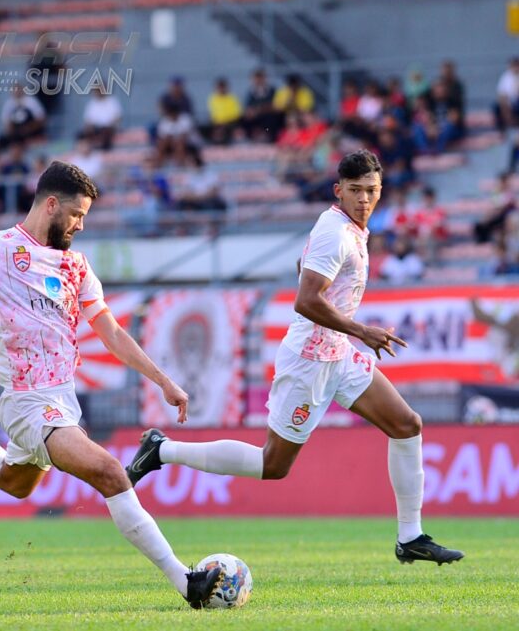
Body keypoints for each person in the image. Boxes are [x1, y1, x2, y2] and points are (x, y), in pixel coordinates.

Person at [0, 160, 224, 609]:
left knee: (16, 483)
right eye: (76, 215)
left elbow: (110, 330)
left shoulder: (76, 265)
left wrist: (163, 380)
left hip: (61, 399)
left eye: (85, 218)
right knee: (111, 472)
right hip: (27, 400)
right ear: (51, 204)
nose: (79, 225)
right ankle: (185, 580)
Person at [124, 150, 464, 567]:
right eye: (355, 191)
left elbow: (309, 270)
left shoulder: (349, 228)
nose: (363, 199)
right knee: (273, 465)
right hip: (308, 361)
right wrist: (363, 331)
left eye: (371, 191)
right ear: (339, 191)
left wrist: (340, 321)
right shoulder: (336, 233)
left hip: (337, 355)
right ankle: (162, 450)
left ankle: (410, 537)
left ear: (380, 191)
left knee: (407, 424)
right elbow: (306, 301)